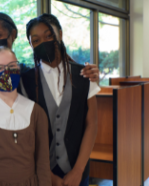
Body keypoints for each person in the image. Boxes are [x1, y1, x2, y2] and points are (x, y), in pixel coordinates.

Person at [21, 14, 99, 186]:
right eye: (36, 40)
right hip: (41, 173)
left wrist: (78, 171)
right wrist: (46, 174)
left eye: (49, 36)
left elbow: (91, 124)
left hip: (78, 170)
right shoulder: (25, 80)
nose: (44, 42)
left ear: (60, 35)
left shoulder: (84, 74)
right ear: (30, 44)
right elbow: (26, 134)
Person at [0, 46, 52, 186]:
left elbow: (43, 162)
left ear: (18, 69)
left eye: (11, 66)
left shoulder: (36, 112)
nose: (6, 72)